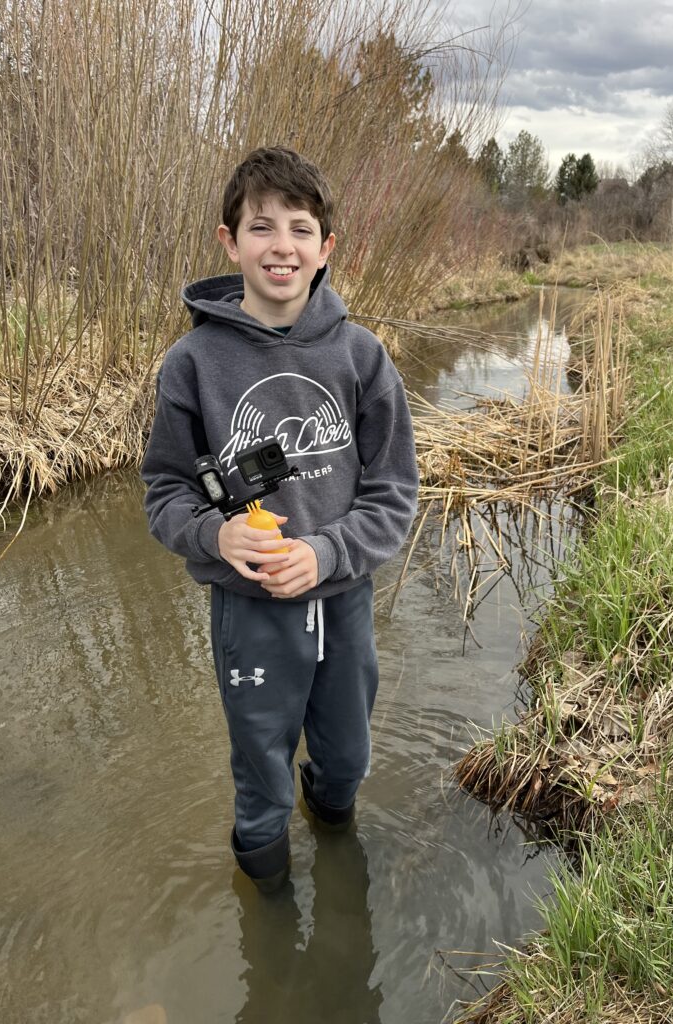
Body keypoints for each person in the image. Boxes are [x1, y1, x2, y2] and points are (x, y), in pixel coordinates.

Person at [140, 147, 419, 892]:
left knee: (347, 763)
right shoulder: (191, 364)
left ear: (326, 248)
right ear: (229, 241)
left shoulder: (362, 358)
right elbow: (165, 490)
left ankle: (334, 840)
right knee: (260, 775)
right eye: (261, 226)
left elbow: (394, 491)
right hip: (250, 614)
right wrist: (214, 533)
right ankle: (267, 918)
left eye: (300, 228)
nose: (282, 245)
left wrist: (326, 555)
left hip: (345, 602)